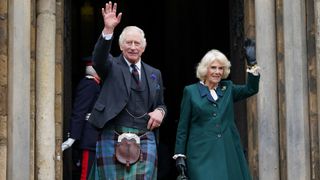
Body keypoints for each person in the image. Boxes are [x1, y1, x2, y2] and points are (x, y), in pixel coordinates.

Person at [88, 2, 167, 179]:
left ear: (143, 47)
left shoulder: (155, 74)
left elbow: (161, 103)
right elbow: (98, 58)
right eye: (128, 43)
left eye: (137, 43)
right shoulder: (110, 66)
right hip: (113, 131)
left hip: (145, 134)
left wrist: (160, 112)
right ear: (121, 46)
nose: (133, 47)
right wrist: (108, 30)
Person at [173, 39, 260, 180]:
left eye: (221, 68)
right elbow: (183, 127)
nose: (217, 72)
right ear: (205, 69)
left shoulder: (228, 88)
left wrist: (252, 64)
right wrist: (180, 155)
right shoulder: (191, 92)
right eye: (213, 68)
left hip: (227, 152)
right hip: (200, 154)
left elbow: (251, 89)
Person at [61, 57, 101, 180]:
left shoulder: (95, 85)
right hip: (89, 138)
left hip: (95, 139)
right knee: (87, 175)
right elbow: (80, 111)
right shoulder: (89, 84)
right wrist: (73, 136)